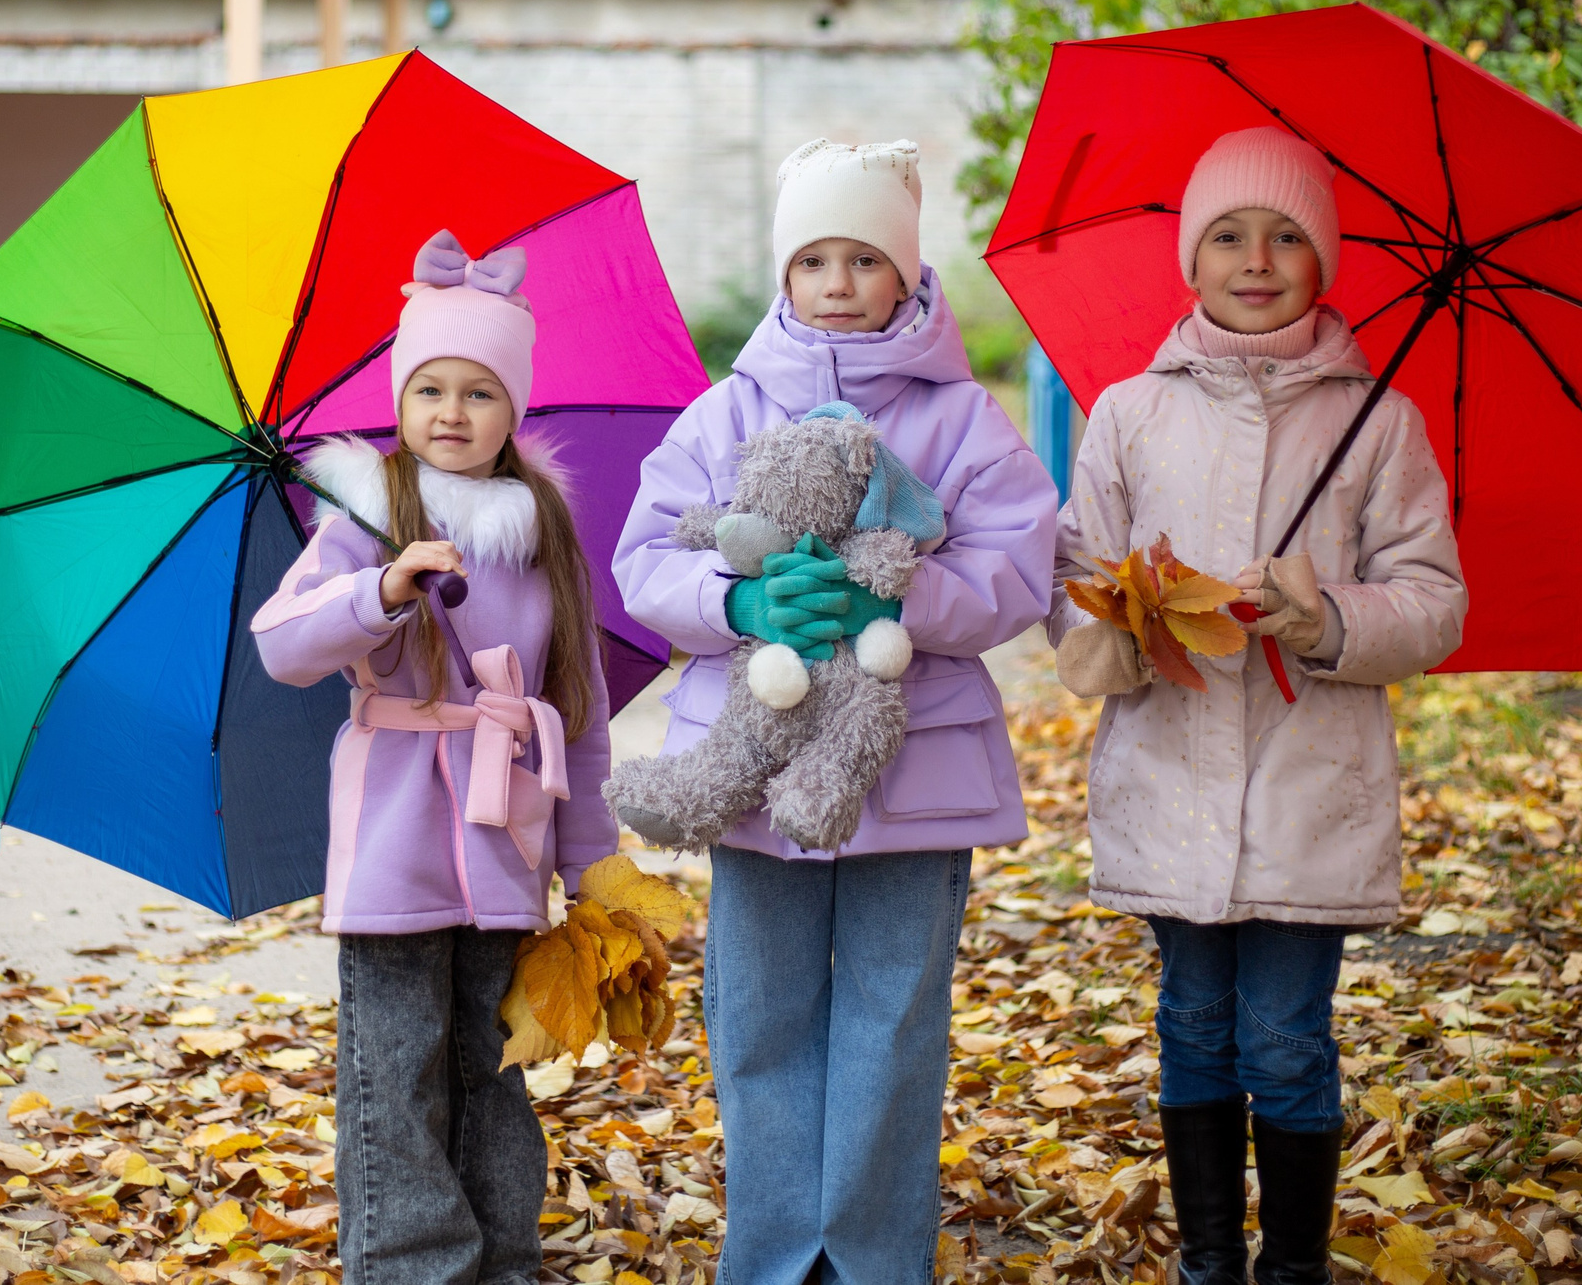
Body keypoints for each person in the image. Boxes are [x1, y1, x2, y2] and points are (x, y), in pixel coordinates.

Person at [615, 138, 1057, 1285]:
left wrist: (906, 589)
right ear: (785, 275)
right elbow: (646, 558)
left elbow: (1019, 568)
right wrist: (737, 597)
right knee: (757, 1018)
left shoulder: (962, 420)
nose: (840, 281)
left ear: (908, 275)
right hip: (756, 768)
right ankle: (772, 1251)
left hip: (910, 772)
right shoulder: (723, 414)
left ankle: (868, 1254)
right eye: (815, 258)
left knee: (891, 1017)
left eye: (866, 258)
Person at [1048, 128, 1467, 1285]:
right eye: (1228, 235)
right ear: (1190, 260)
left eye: (1287, 236)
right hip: (1171, 773)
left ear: (1323, 259)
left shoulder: (1377, 421)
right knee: (1190, 1024)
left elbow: (1434, 602)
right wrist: (1121, 628)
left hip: (1305, 784)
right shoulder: (1128, 413)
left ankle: (1288, 1266)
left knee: (1284, 1040)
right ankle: (1207, 1264)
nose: (1257, 257)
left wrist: (1325, 617)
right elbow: (1072, 576)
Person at [250, 229, 616, 1285]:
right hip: (393, 845)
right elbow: (282, 646)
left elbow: (574, 713)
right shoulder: (368, 516)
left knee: (489, 1066)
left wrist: (590, 866)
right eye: (430, 390)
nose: (451, 413)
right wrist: (380, 592)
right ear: (401, 403)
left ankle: (499, 1256)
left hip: (507, 848)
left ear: (515, 410)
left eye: (480, 393)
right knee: (394, 1069)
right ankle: (409, 1264)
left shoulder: (541, 531)